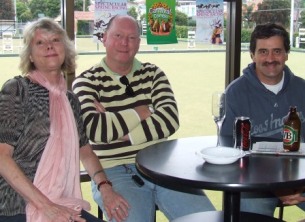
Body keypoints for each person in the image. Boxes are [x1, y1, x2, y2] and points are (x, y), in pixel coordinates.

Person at [72, 15, 215, 222]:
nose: (124, 43)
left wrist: (122, 133)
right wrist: (140, 112)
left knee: (208, 219)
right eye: (118, 35)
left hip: (162, 166)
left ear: (139, 42)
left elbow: (170, 120)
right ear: (104, 38)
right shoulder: (86, 81)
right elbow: (95, 130)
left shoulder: (154, 74)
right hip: (114, 171)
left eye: (132, 37)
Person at [0, 18, 129, 222]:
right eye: (39, 42)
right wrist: (47, 207)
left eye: (55, 40)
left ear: (66, 49)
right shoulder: (17, 90)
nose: (49, 46)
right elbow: (2, 156)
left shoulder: (70, 100)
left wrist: (106, 188)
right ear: (30, 55)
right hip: (16, 206)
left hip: (61, 201)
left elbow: (85, 151)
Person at [220, 23, 305, 217]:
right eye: (263, 52)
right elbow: (227, 145)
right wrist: (276, 186)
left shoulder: (302, 89)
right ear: (252, 55)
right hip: (254, 183)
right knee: (249, 216)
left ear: (286, 54)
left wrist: (298, 183)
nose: (270, 59)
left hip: (300, 179)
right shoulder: (235, 92)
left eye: (277, 51)